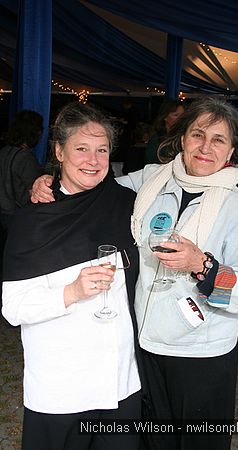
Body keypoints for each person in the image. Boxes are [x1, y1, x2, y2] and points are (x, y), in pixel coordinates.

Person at [31, 96, 238, 450]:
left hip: (199, 355)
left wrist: (202, 266)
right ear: (182, 138)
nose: (205, 147)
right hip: (144, 344)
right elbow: (98, 193)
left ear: (231, 150)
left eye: (218, 139)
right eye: (198, 134)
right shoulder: (153, 179)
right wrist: (50, 182)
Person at [2, 102, 142, 450]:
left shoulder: (127, 203)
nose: (92, 160)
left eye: (102, 150)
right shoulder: (32, 221)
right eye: (81, 149)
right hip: (61, 386)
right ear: (59, 151)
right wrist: (72, 292)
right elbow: (13, 308)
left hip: (119, 380)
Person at [0, 109, 43, 231]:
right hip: (20, 215)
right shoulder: (25, 157)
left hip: (4, 214)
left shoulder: (3, 151)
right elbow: (35, 193)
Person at [144, 99, 185, 164]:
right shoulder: (156, 139)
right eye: (176, 115)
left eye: (182, 115)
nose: (181, 118)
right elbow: (150, 162)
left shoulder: (186, 136)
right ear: (165, 117)